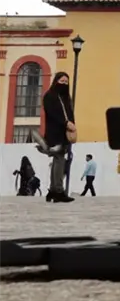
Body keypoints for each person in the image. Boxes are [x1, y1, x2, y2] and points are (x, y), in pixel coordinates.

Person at [30, 72, 75, 203]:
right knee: (59, 160)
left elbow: (70, 113)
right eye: (62, 81)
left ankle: (53, 191)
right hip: (55, 133)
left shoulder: (66, 97)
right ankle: (58, 191)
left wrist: (72, 126)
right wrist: (66, 123)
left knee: (57, 160)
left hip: (65, 133)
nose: (64, 84)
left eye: (66, 82)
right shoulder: (50, 96)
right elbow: (53, 114)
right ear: (56, 81)